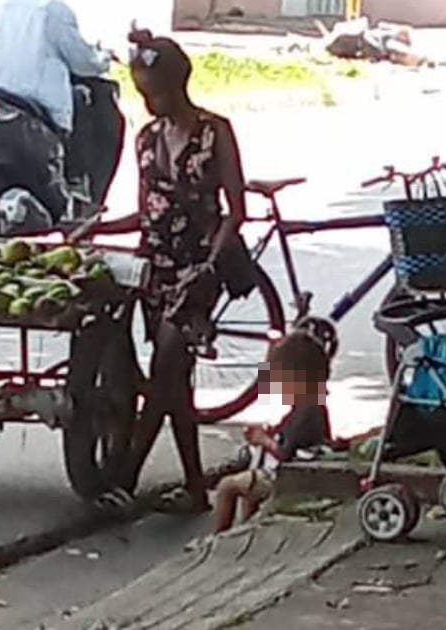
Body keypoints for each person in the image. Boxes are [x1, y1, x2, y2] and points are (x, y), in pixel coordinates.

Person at [92, 29, 248, 514]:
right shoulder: (146, 140)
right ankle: (196, 488)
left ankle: (126, 477)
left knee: (165, 369)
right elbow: (148, 212)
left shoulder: (216, 131)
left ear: (175, 85)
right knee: (175, 382)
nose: (146, 101)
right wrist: (93, 229)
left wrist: (208, 264)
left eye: (151, 91)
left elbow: (235, 210)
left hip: (200, 269)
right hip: (155, 269)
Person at [0, 0, 112, 198]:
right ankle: (76, 184)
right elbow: (83, 63)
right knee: (85, 104)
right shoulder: (52, 10)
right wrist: (104, 58)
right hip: (33, 106)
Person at [214, 332, 332, 533]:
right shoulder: (315, 406)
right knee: (248, 488)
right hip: (292, 473)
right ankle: (247, 528)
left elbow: (285, 452)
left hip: (283, 476)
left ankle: (220, 532)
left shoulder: (306, 411)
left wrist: (263, 439)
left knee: (226, 487)